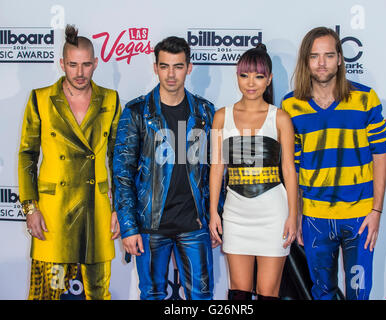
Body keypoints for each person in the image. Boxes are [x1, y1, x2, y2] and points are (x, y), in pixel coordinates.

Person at [281, 26, 386, 300]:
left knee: (358, 293)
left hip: (360, 217)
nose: (321, 63)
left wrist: (376, 210)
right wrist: (298, 212)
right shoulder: (291, 105)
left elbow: (380, 155)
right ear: (306, 60)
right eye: (315, 56)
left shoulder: (366, 99)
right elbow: (292, 165)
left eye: (328, 55)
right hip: (316, 218)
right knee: (322, 293)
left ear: (340, 59)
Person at [18, 25, 121, 300]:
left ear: (96, 63)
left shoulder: (110, 99)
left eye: (86, 64)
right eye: (73, 64)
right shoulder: (40, 99)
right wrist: (30, 208)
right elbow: (27, 155)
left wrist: (119, 208)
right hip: (54, 214)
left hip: (96, 211)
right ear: (62, 63)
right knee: (49, 293)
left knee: (99, 293)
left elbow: (118, 159)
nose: (80, 72)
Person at [113, 36, 218, 300]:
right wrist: (129, 227)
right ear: (155, 67)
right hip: (150, 227)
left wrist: (217, 217)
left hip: (194, 224)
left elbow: (217, 171)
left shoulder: (206, 112)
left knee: (201, 296)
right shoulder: (136, 111)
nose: (171, 74)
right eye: (164, 66)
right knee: (151, 294)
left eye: (178, 66)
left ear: (189, 67)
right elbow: (122, 173)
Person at [209, 44, 298, 300]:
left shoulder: (280, 118)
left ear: (269, 79)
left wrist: (293, 215)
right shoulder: (221, 117)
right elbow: (217, 168)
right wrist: (214, 211)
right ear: (237, 76)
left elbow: (289, 171)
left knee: (268, 293)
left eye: (259, 76)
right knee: (239, 293)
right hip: (236, 215)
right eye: (245, 75)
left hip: (273, 214)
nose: (251, 83)